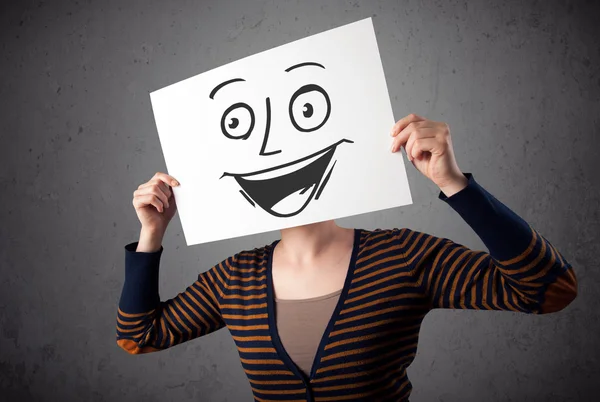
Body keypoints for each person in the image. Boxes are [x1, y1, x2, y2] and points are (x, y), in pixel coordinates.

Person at [116, 113, 577, 402]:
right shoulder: (235, 277)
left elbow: (550, 288)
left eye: (305, 116)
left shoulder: (402, 255)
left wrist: (455, 183)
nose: (276, 149)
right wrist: (151, 233)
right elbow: (140, 335)